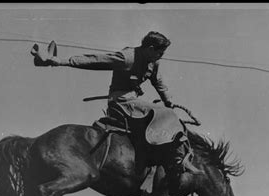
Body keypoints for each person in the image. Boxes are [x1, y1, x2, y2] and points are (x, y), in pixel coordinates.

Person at [30, 31, 203, 180]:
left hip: (134, 100)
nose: (161, 56)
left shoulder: (153, 61)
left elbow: (158, 82)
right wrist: (59, 61)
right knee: (167, 115)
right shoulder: (127, 57)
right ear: (150, 49)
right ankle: (180, 160)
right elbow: (94, 60)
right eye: (160, 52)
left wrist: (168, 100)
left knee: (166, 112)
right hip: (121, 101)